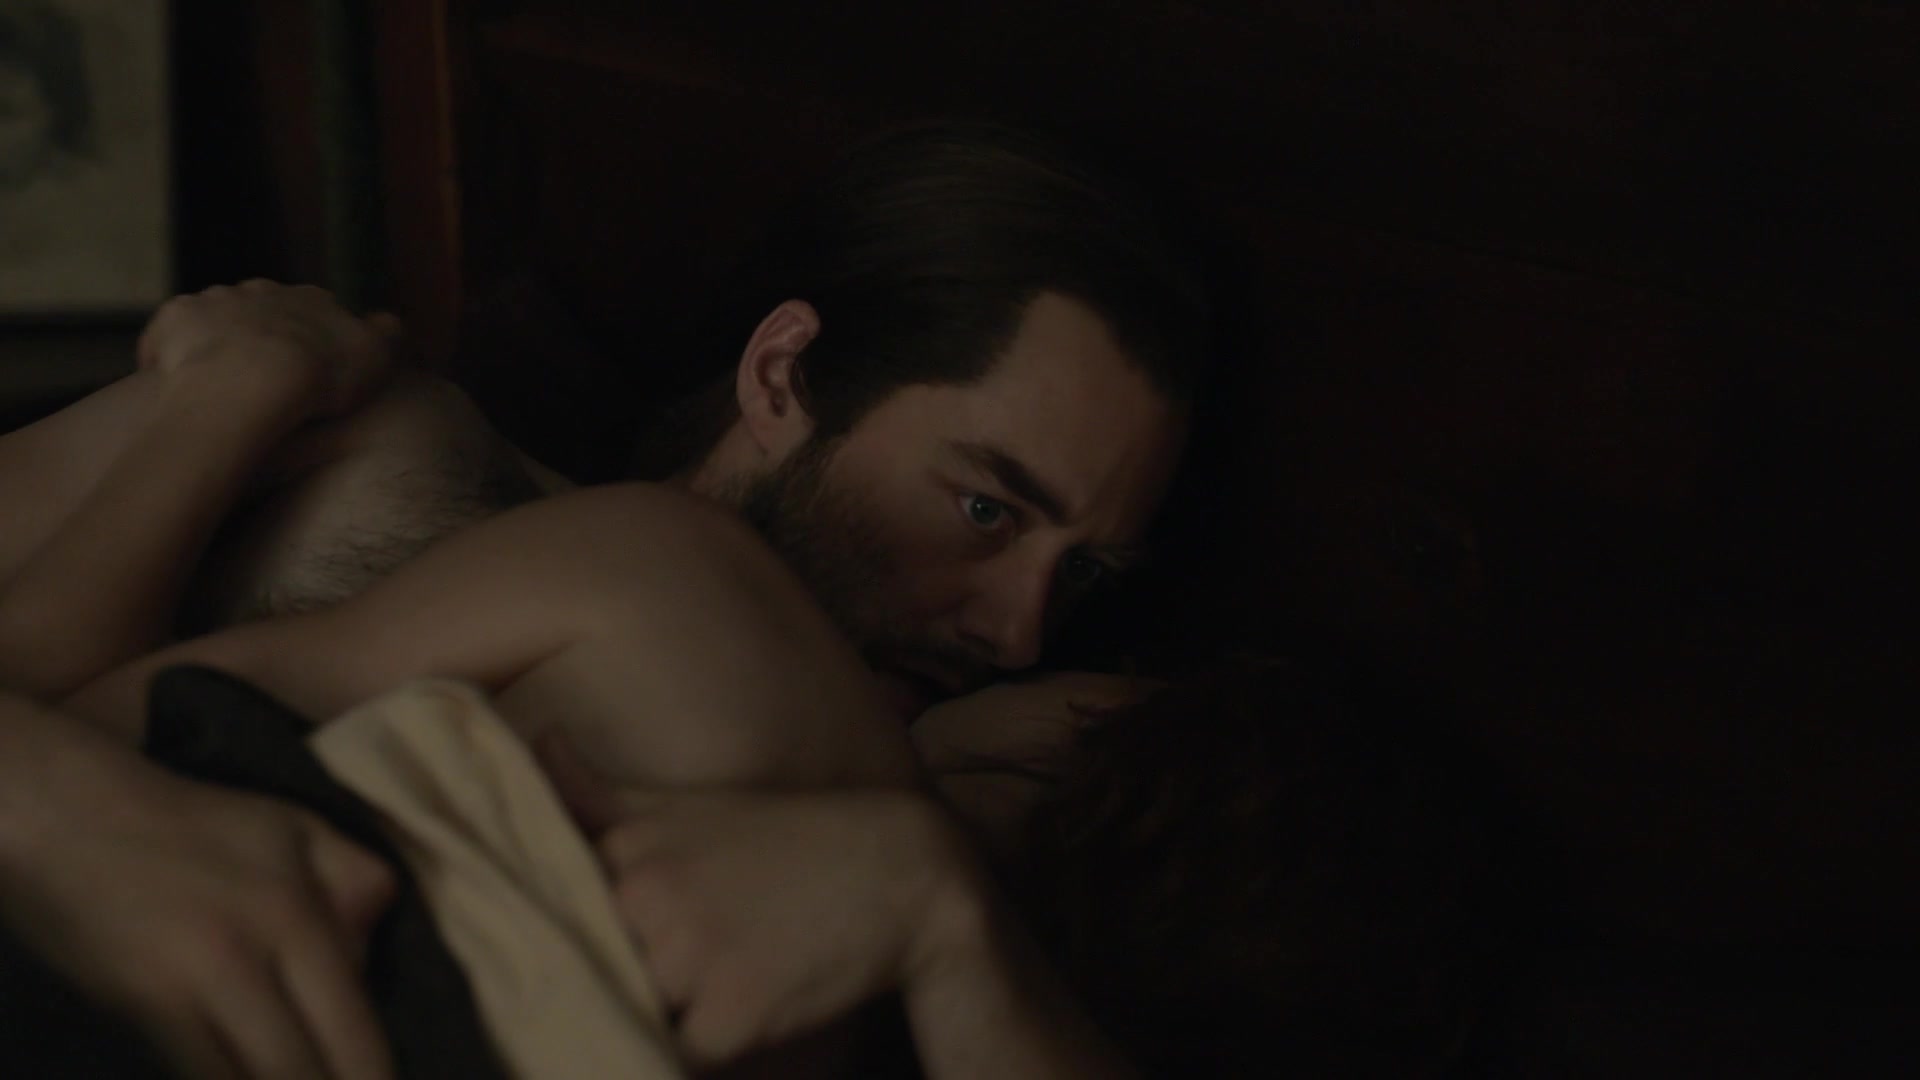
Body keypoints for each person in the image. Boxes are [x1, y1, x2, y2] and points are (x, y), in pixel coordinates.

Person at [0, 121, 1213, 1075]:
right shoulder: (392, 456)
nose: (1020, 631)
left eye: (1083, 571)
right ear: (781, 374)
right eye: (986, 511)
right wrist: (228, 400)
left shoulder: (989, 815)